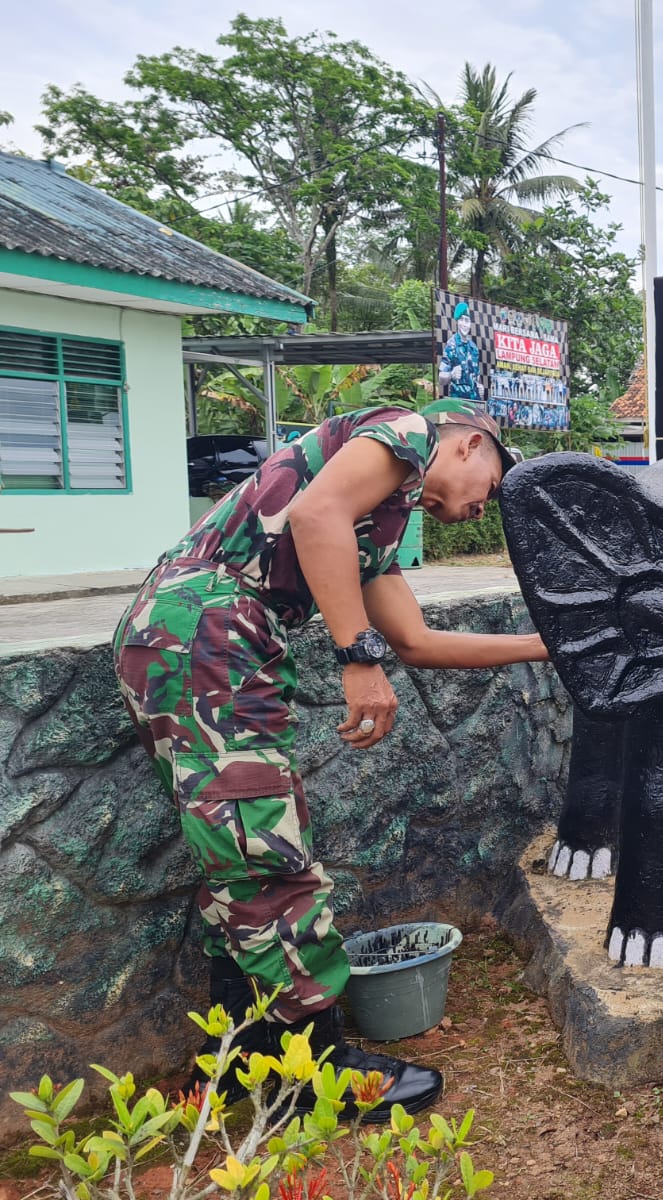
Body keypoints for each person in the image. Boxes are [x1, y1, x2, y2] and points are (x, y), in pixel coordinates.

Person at [112, 400, 546, 1116]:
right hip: (208, 633)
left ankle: (240, 1059)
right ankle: (317, 1074)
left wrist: (550, 647)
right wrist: (354, 655)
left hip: (193, 638)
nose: (482, 513)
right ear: (469, 445)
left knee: (242, 854)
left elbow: (419, 642)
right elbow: (315, 519)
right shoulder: (408, 431)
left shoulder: (376, 527)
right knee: (265, 851)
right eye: (493, 489)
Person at [439, 302, 483, 402]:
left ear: (470, 324)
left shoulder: (474, 348)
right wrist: (451, 375)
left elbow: (477, 376)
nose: (464, 324)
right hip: (458, 402)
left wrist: (480, 387)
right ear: (457, 322)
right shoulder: (451, 345)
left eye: (467, 321)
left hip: (474, 402)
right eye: (461, 320)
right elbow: (441, 378)